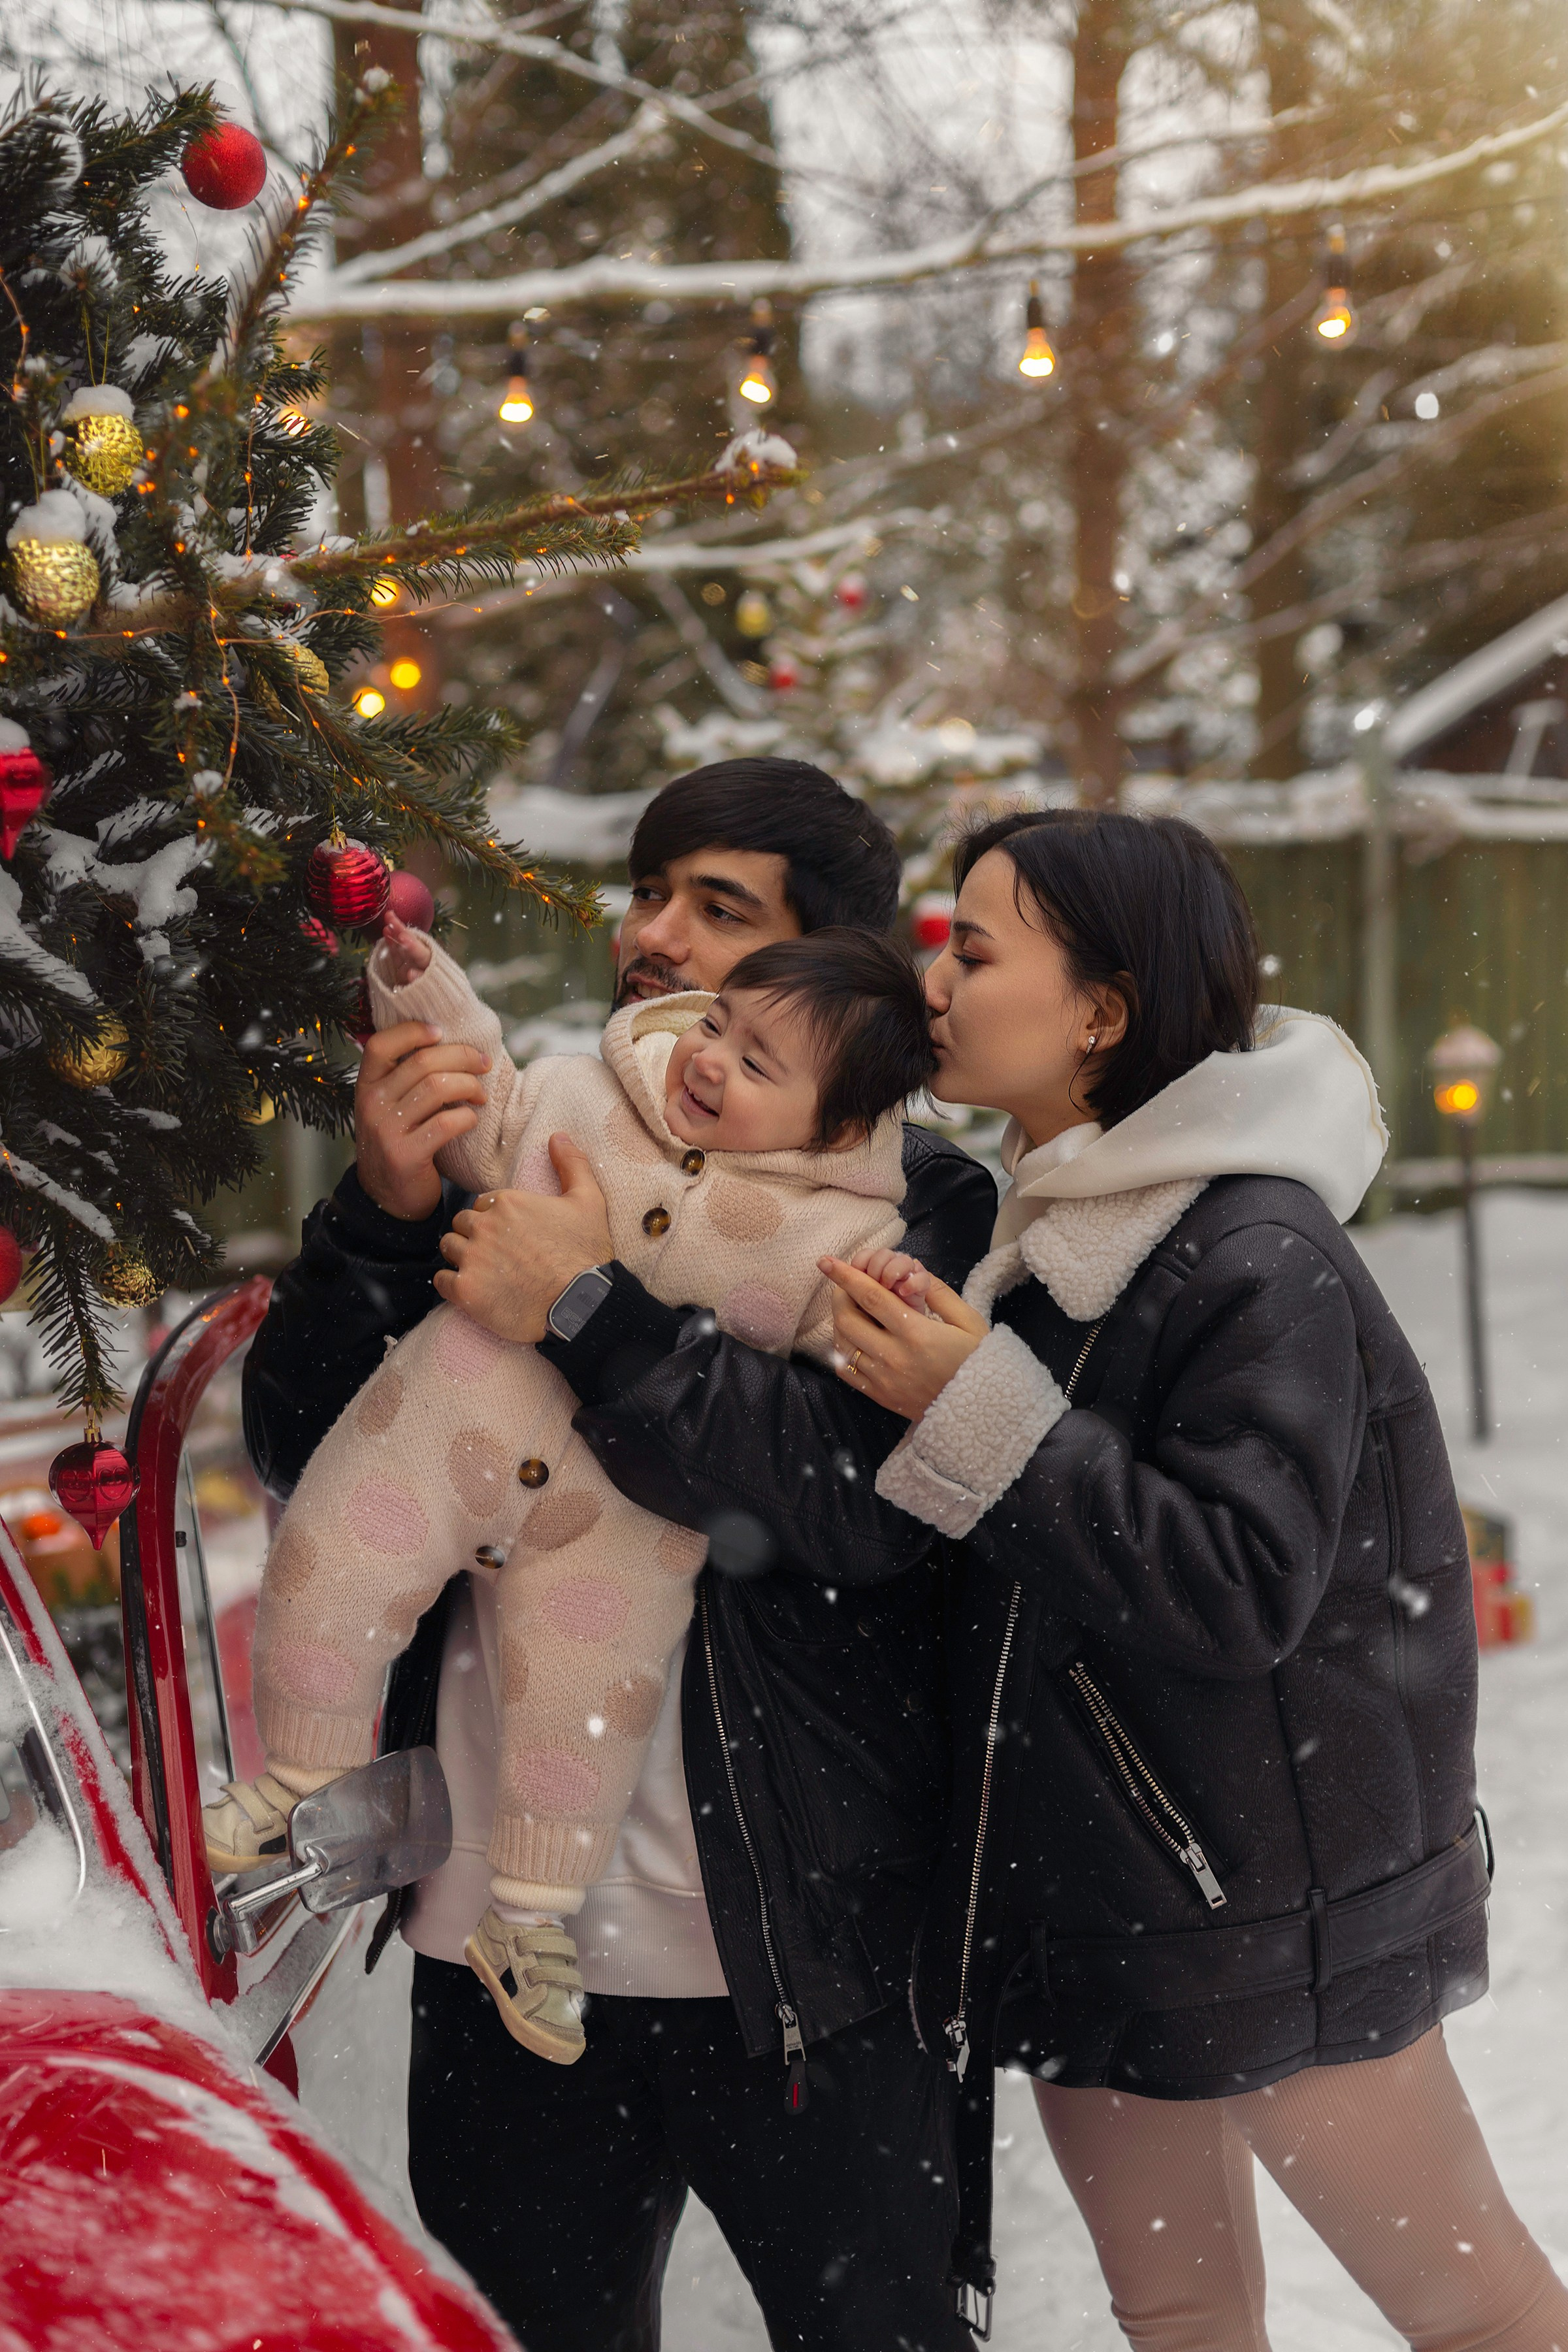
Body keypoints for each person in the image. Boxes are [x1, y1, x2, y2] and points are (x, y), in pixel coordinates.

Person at [240, 757, 996, 2352]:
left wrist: (591, 1309)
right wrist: (382, 1218)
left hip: (787, 1950)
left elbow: (857, 1504)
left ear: (827, 960)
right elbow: (311, 1461)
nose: (653, 936)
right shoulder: (545, 1127)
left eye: (716, 910)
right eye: (649, 893)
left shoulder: (912, 1203)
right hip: (492, 1943)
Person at [822, 808, 1568, 2351]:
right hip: (1097, 1908)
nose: (932, 982)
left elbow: (1236, 1583)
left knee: (1476, 2312)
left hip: (1275, 1918)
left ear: (1101, 1010)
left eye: (974, 950)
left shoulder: (1254, 1253)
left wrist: (976, 1412)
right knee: (1177, 2317)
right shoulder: (1046, 1240)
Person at [212, 919, 928, 2072]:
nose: (709, 1060)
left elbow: (847, 1385)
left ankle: (530, 1914)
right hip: (440, 1426)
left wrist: (896, 1298)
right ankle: (298, 1779)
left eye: (757, 1064)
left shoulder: (842, 1233)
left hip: (619, 1518)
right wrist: (421, 985)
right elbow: (480, 1087)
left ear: (839, 1127)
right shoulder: (577, 1099)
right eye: (717, 1026)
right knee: (331, 1562)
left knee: (588, 1702)